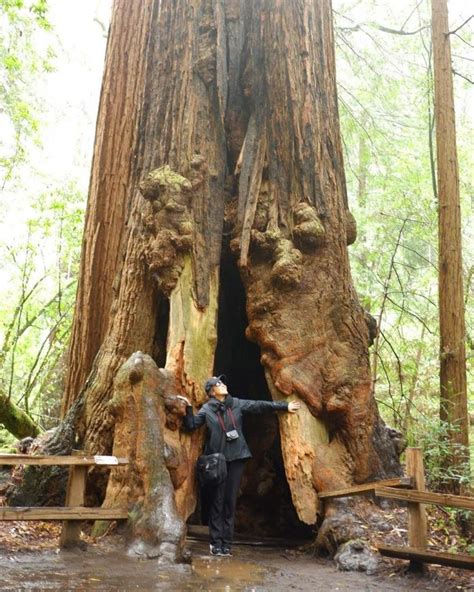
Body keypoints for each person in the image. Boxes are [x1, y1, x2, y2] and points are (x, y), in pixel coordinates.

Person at [179, 375, 301, 557]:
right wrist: (188, 407)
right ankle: (215, 542)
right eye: (219, 384)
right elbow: (191, 425)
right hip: (217, 461)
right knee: (217, 502)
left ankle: (227, 543)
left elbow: (259, 405)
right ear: (212, 391)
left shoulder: (235, 403)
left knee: (230, 501)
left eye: (222, 382)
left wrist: (284, 406)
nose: (224, 385)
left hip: (237, 458)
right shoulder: (207, 409)